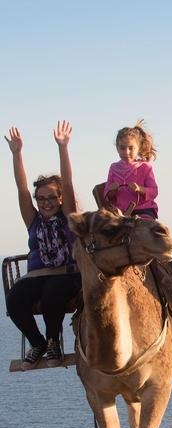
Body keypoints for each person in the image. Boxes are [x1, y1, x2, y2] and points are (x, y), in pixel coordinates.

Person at [4, 122, 81, 369]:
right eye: (41, 199)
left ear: (60, 199)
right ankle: (38, 343)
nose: (46, 203)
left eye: (51, 198)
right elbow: (21, 188)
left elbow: (67, 182)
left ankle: (53, 342)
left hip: (66, 274)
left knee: (52, 295)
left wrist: (63, 148)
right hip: (39, 274)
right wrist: (17, 154)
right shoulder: (33, 220)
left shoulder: (68, 216)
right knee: (15, 299)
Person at [103, 121, 159, 219]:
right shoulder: (114, 168)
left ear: (138, 148)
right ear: (117, 148)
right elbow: (108, 195)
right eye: (122, 148)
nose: (126, 152)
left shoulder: (145, 167)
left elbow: (154, 191)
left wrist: (140, 189)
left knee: (143, 228)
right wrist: (112, 190)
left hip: (143, 210)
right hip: (120, 212)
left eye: (131, 148)